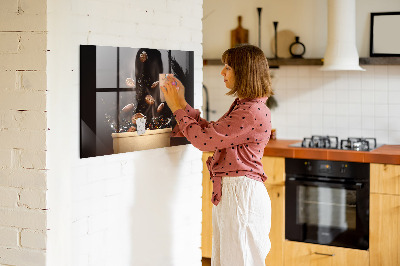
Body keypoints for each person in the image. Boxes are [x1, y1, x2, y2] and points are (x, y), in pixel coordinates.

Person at [161, 44, 273, 266]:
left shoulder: (250, 111)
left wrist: (176, 108)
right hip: (236, 193)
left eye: (228, 67)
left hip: (241, 195)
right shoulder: (246, 106)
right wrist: (182, 104)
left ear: (244, 72)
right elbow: (212, 133)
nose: (222, 72)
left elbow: (204, 141)